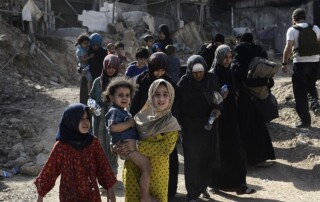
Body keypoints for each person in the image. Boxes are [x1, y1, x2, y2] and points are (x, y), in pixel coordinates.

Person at [114, 79, 181, 202]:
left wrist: (138, 145)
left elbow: (166, 148)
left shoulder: (171, 124)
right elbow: (123, 138)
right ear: (150, 96)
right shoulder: (139, 118)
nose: (161, 99)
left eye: (165, 94)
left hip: (158, 174)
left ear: (171, 96)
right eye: (157, 94)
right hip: (132, 172)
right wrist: (118, 148)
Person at [34, 103, 117, 202]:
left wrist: (110, 190)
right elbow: (50, 170)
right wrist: (40, 196)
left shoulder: (93, 142)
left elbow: (103, 166)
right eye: (81, 119)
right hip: (69, 196)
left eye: (87, 118)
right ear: (71, 121)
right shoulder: (61, 146)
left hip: (91, 195)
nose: (86, 122)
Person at [129, 52, 179, 198]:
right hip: (144, 128)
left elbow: (175, 104)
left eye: (162, 70)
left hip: (164, 127)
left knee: (168, 160)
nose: (159, 74)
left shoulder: (169, 82)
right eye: (156, 70)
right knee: (144, 164)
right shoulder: (142, 81)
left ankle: (169, 194)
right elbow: (135, 105)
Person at [209, 45, 256, 195]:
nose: (228, 60)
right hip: (218, 119)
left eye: (230, 57)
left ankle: (239, 184)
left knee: (236, 151)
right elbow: (208, 98)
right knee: (220, 152)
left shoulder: (230, 72)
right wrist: (219, 97)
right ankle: (216, 183)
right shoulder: (212, 75)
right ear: (218, 57)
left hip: (231, 118)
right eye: (225, 57)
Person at [174, 55, 221, 201]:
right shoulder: (184, 83)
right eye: (195, 73)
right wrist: (179, 125)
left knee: (206, 159)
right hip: (190, 128)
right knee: (192, 160)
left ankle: (203, 187)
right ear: (189, 71)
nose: (198, 75)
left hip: (208, 125)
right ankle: (192, 193)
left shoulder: (211, 79)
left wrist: (218, 109)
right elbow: (177, 107)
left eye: (201, 72)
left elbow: (218, 99)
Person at [104, 77, 157, 202]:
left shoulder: (123, 111)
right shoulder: (114, 112)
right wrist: (129, 124)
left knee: (145, 168)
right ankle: (145, 197)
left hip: (128, 147)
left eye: (127, 95)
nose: (124, 98)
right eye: (120, 95)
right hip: (127, 147)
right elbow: (112, 128)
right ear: (112, 97)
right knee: (146, 167)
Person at [231, 32, 276, 166]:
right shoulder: (259, 50)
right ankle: (261, 157)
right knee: (258, 126)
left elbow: (237, 70)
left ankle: (248, 159)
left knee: (245, 127)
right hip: (258, 93)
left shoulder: (240, 49)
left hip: (244, 95)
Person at [282, 8, 320, 128]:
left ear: (294, 19)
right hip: (315, 63)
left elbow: (288, 48)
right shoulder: (315, 28)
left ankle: (305, 121)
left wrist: (284, 63)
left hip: (300, 64)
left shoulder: (292, 30)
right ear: (304, 17)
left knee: (300, 92)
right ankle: (315, 105)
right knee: (311, 86)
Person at [89, 54, 120, 174]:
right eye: (108, 67)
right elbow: (91, 98)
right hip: (99, 119)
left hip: (115, 119)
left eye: (113, 67)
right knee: (100, 146)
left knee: (113, 146)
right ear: (104, 67)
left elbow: (125, 99)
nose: (111, 70)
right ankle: (102, 176)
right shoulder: (98, 82)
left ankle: (112, 174)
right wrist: (94, 108)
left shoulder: (119, 82)